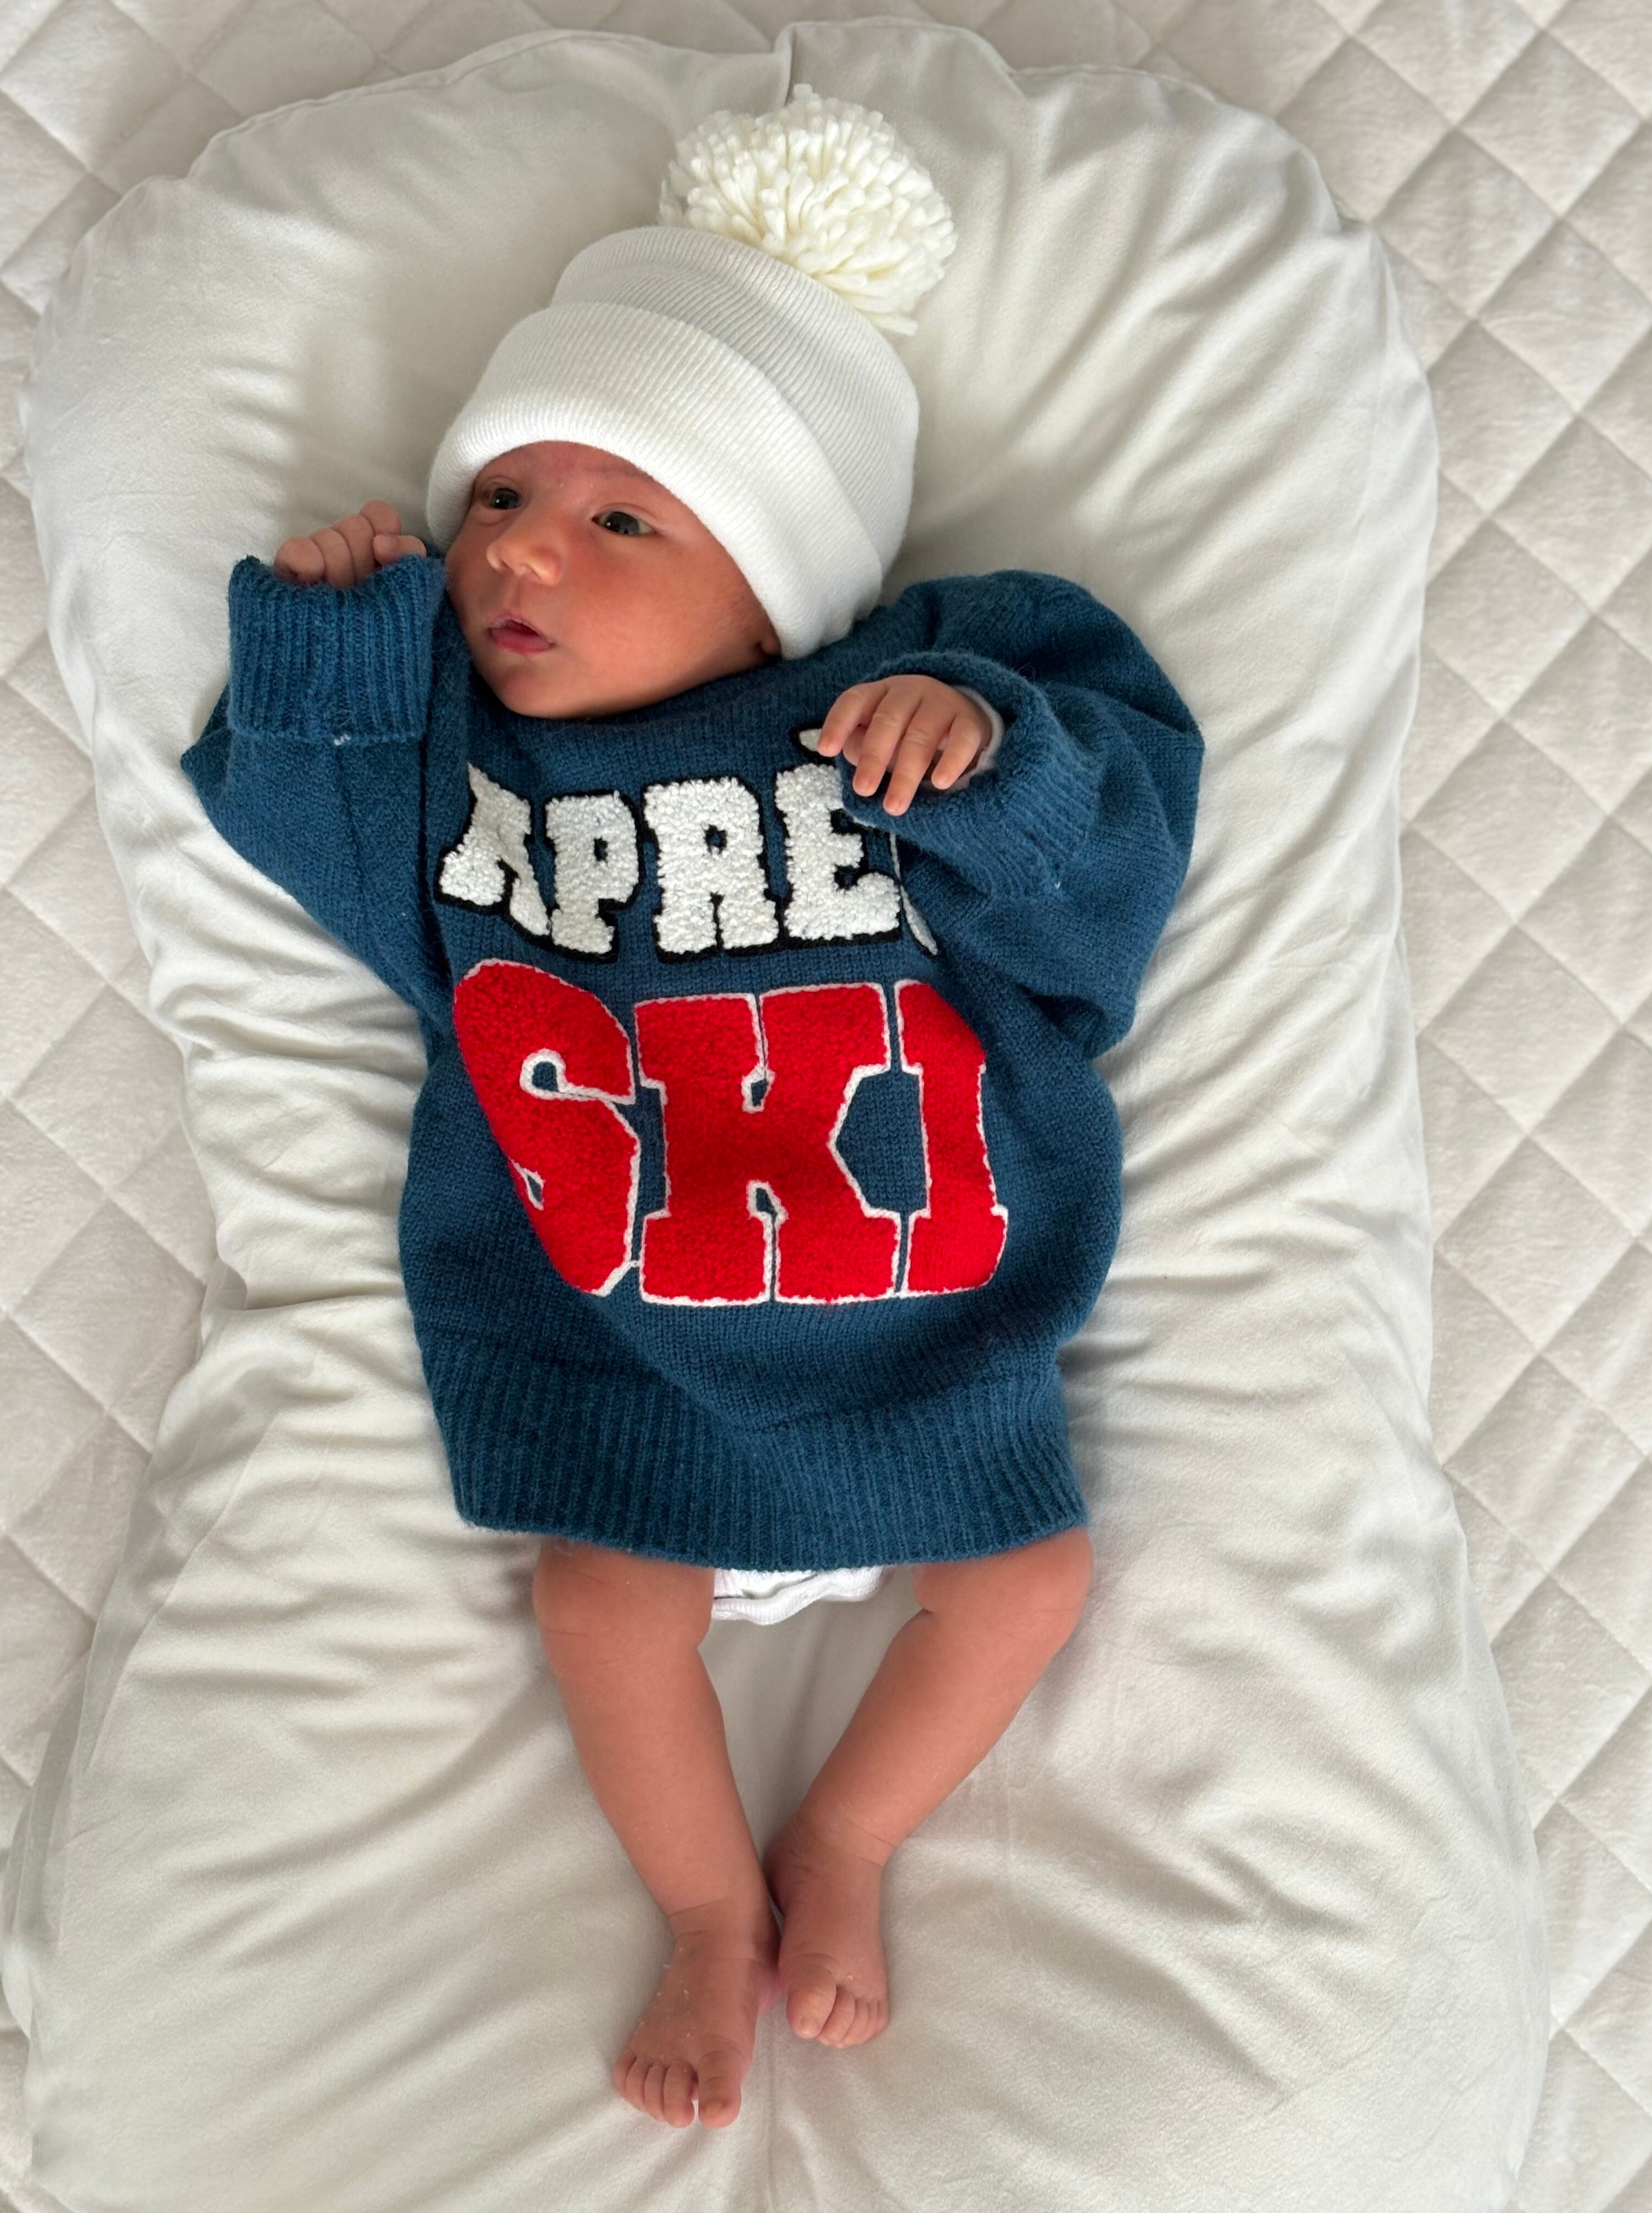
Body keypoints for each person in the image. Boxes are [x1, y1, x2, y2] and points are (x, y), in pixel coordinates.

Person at [182, 86, 1203, 2133]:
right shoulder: (474, 788)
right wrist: (330, 649)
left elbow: (1102, 903)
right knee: (596, 1604)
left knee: (1023, 1584)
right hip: (625, 1343)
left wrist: (985, 751)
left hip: (921, 1325)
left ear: (775, 593)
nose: (519, 551)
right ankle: (709, 1908)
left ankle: (848, 1841)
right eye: (499, 498)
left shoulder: (883, 711)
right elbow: (312, 833)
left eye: (620, 520)